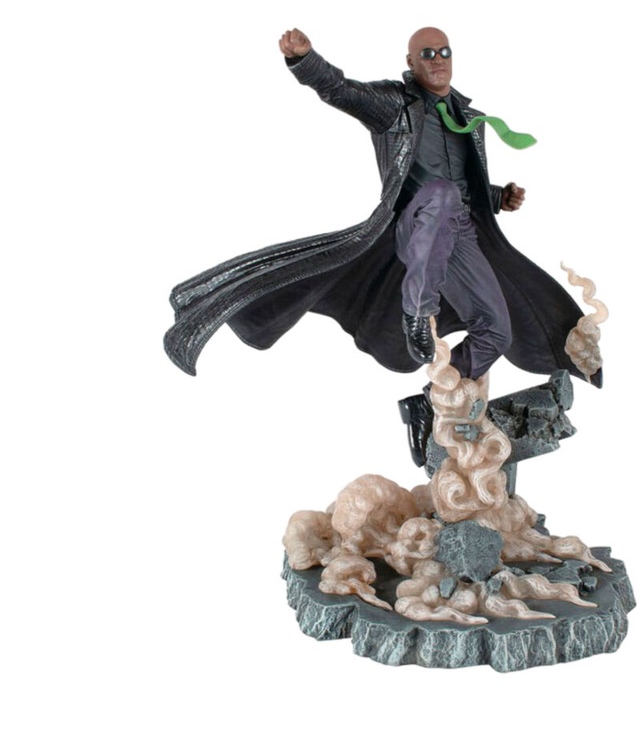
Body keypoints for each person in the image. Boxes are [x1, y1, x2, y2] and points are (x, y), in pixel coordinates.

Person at [164, 27, 600, 461]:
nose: (437, 60)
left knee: (496, 331)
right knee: (441, 195)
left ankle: (429, 404)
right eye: (426, 54)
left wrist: (497, 196)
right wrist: (304, 60)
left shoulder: (467, 115)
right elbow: (340, 90)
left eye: (444, 52)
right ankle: (417, 311)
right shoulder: (395, 105)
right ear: (411, 62)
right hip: (415, 226)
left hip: (460, 234)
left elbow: (462, 181)